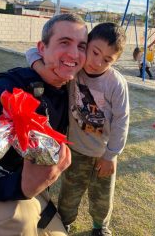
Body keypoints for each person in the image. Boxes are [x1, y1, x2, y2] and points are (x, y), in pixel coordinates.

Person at [0, 13, 88, 236]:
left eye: (81, 46)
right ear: (41, 49)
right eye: (64, 42)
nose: (74, 53)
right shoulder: (6, 92)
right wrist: (23, 187)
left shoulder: (69, 91)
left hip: (29, 189)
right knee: (19, 219)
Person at [26, 22, 130, 236]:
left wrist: (111, 155)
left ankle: (100, 227)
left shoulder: (116, 84)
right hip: (75, 151)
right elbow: (31, 51)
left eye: (108, 60)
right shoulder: (76, 68)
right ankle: (64, 222)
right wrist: (40, 66)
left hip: (103, 154)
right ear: (87, 45)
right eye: (95, 52)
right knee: (69, 192)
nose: (98, 62)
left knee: (102, 196)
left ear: (116, 61)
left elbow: (122, 120)